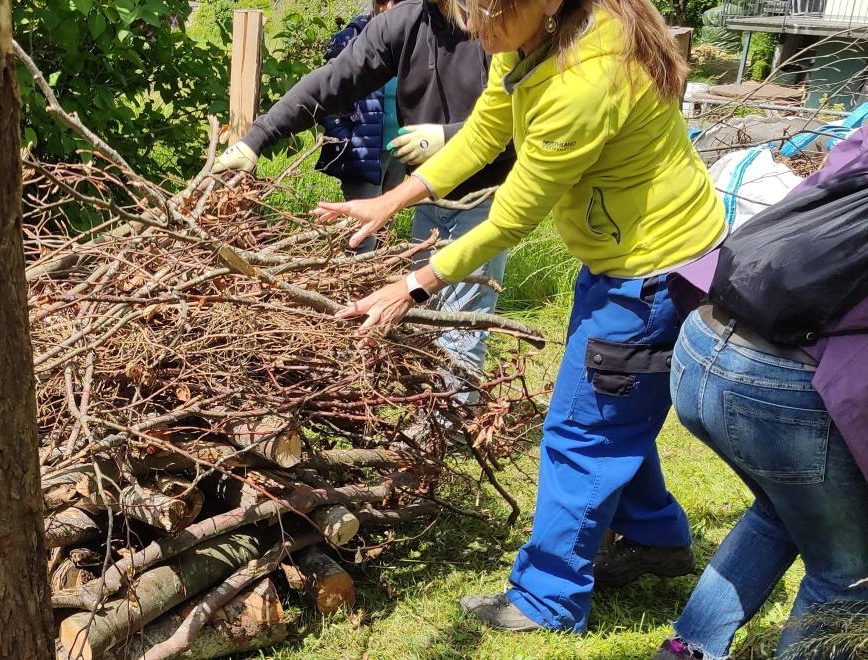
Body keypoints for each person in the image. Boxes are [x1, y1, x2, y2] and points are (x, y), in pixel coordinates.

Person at [311, 0, 726, 633]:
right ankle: (656, 538)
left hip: (650, 272)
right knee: (611, 410)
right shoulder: (538, 34)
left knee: (581, 434)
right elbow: (485, 131)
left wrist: (415, 285)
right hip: (622, 256)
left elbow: (512, 216)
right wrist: (393, 199)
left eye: (488, 14)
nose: (478, 28)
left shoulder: (586, 80)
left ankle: (548, 600)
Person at [213, 0, 515, 384]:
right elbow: (334, 80)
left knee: (458, 326)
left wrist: (447, 137)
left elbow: (517, 120)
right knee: (426, 315)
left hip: (485, 197)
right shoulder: (406, 22)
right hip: (428, 197)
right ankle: (436, 420)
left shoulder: (497, 25)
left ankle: (450, 428)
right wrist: (255, 139)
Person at [656, 128, 868, 660]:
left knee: (782, 509)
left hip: (702, 340)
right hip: (775, 388)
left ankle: (689, 649)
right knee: (848, 572)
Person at [313, 4, 401, 206]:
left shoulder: (408, 38)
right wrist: (346, 138)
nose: (387, 7)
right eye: (380, 1)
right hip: (364, 152)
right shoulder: (351, 38)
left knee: (385, 222)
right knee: (364, 231)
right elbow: (323, 95)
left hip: (398, 150)